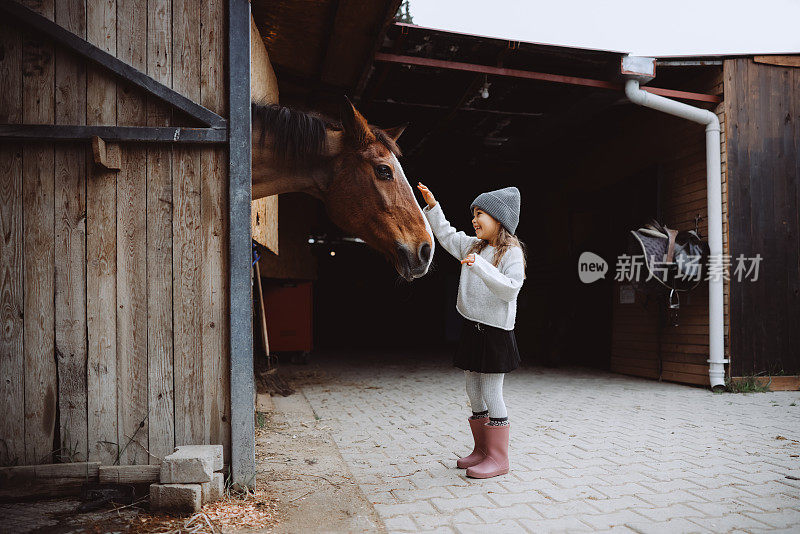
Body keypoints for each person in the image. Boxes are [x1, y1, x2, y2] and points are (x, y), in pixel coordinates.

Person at [416, 182, 526, 479]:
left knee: (492, 392)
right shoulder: (473, 246)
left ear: (499, 220)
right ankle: (481, 451)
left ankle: (498, 459)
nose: (475, 219)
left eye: (481, 214)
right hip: (473, 328)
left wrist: (480, 267)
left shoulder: (511, 253)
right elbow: (447, 235)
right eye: (473, 214)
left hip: (496, 333)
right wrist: (432, 206)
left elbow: (510, 290)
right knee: (473, 391)